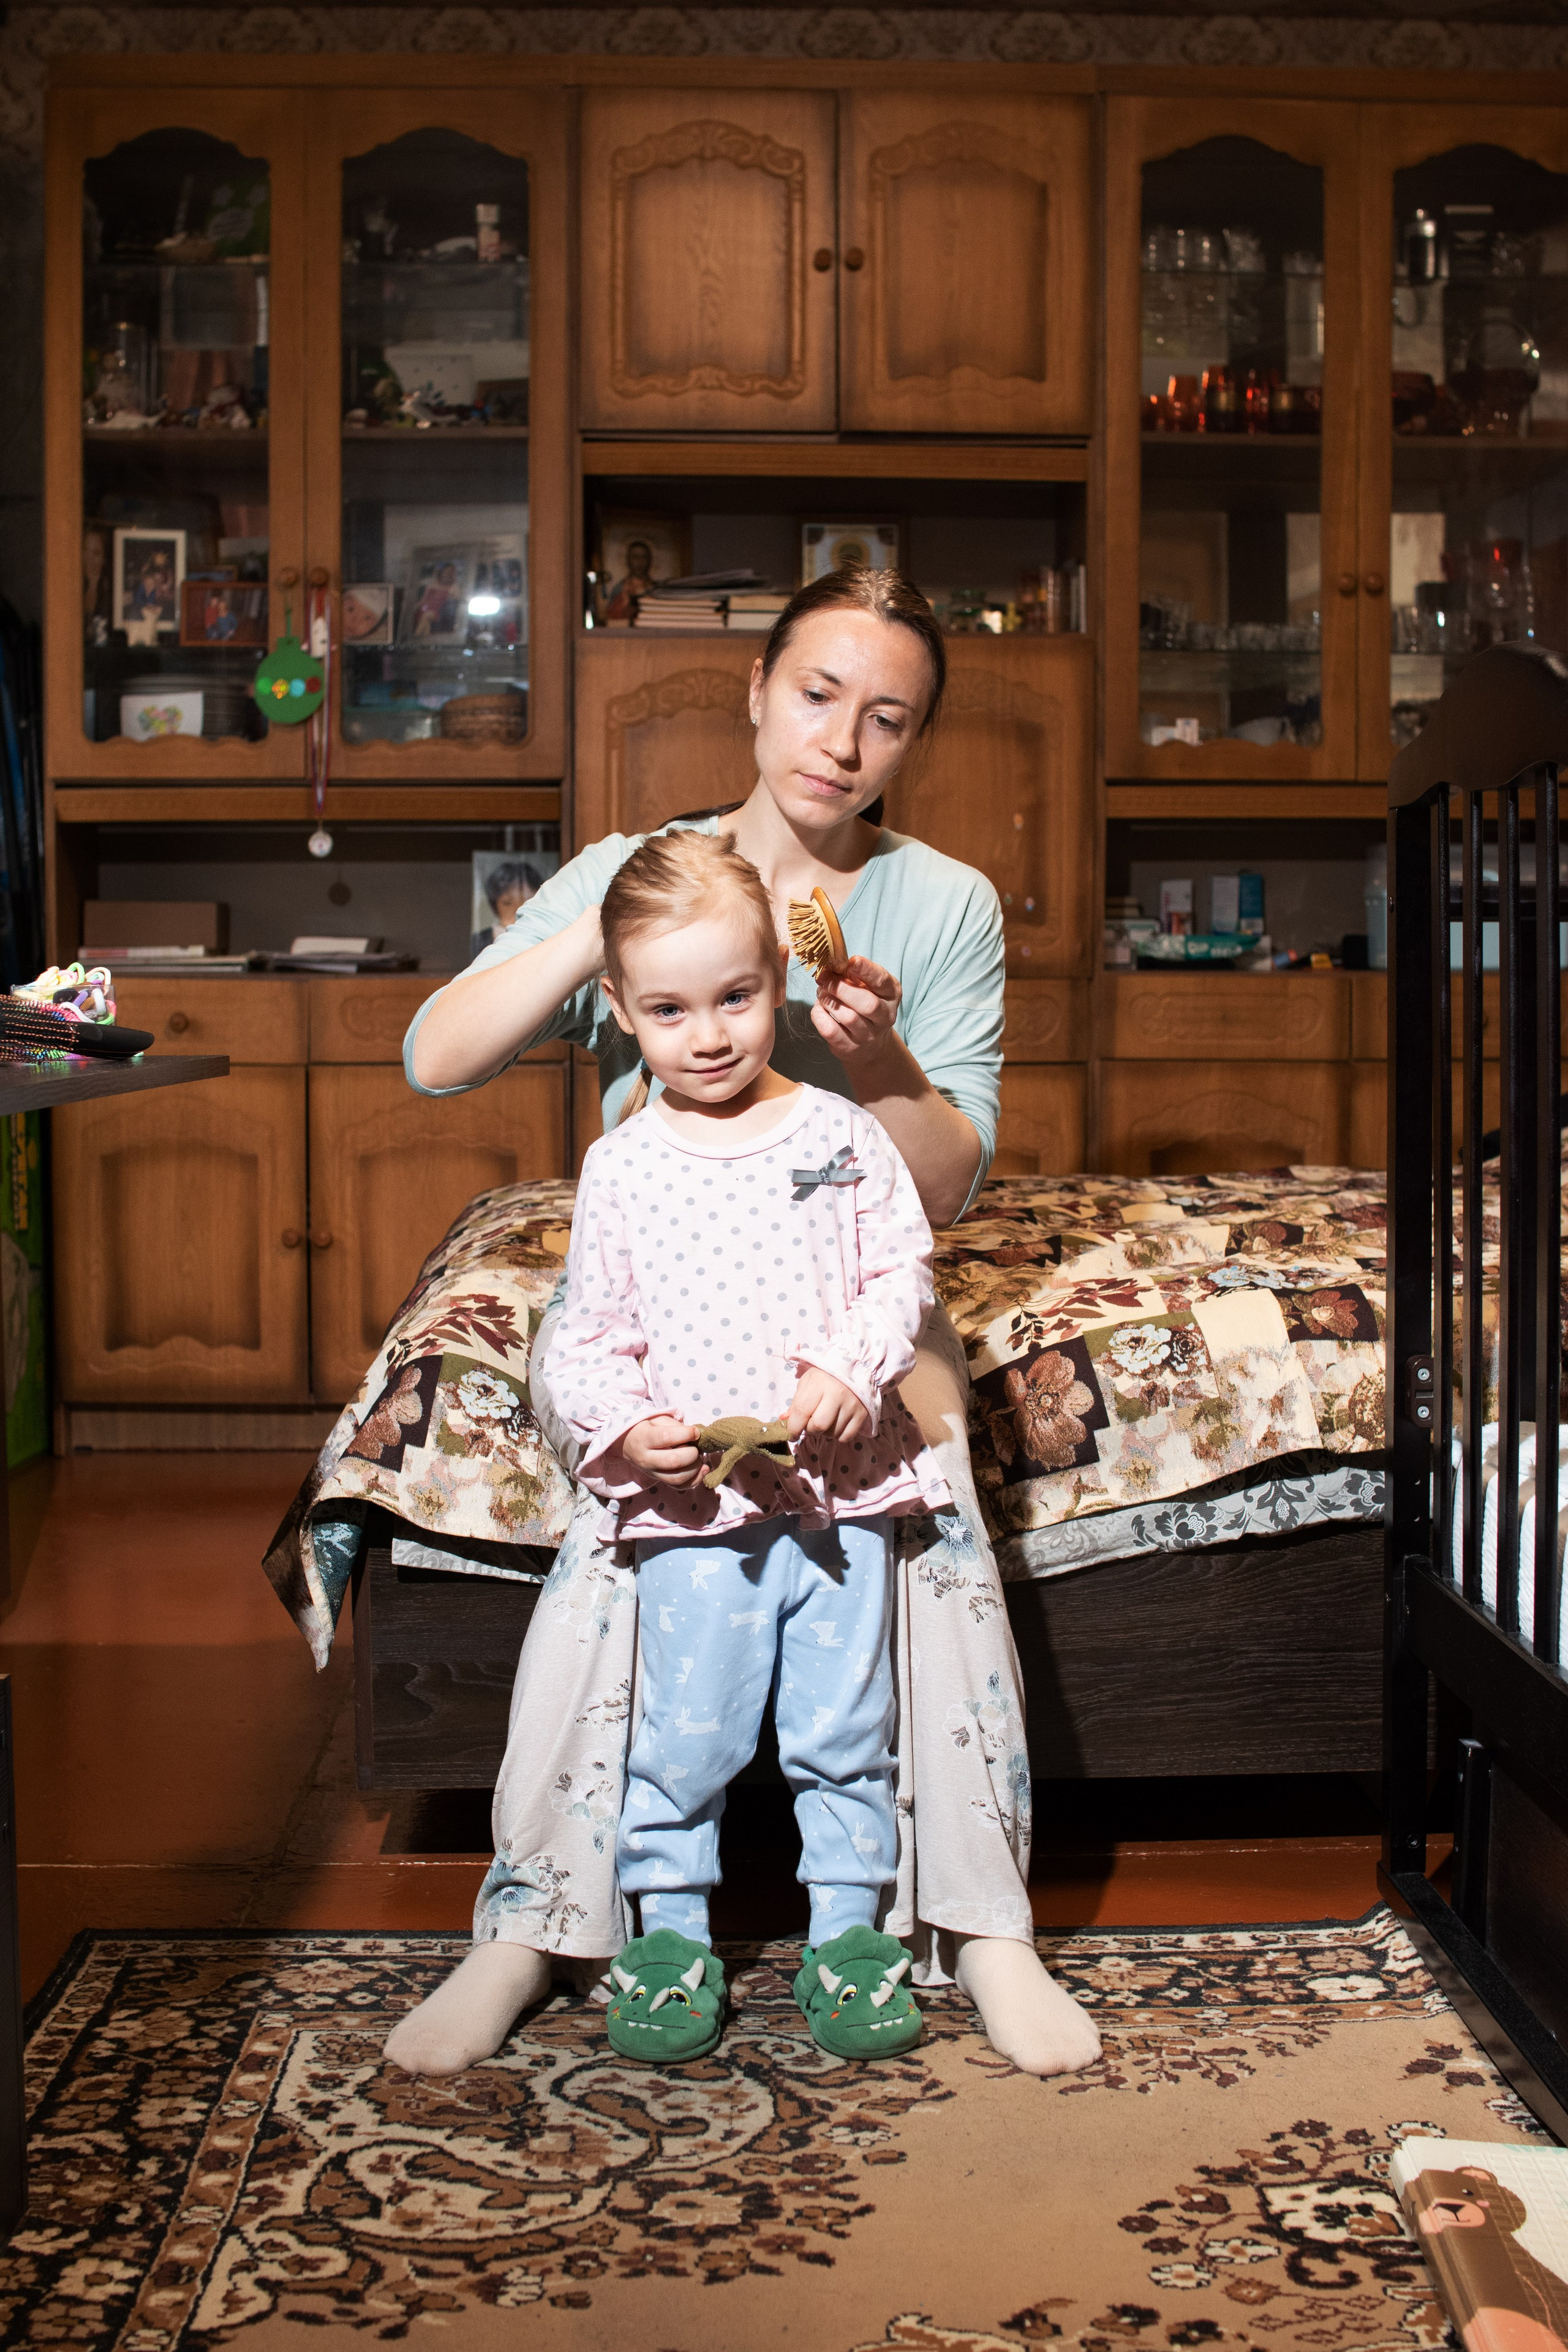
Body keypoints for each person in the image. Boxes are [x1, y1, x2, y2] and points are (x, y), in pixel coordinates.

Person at [387, 564, 1102, 2082]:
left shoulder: (942, 903)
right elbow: (434, 1056)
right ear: (759, 693)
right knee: (614, 1521)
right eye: (818, 694)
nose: (842, 740)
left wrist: (885, 1056)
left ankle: (984, 1931)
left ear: (910, 743)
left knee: (933, 1474)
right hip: (663, 1303)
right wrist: (626, 915)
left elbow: (950, 1190)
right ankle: (524, 1929)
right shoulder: (634, 868)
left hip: (839, 1294)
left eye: (886, 717)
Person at [551, 828, 940, 2062]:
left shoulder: (837, 1134)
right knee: (690, 1733)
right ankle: (667, 1933)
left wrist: (846, 1364)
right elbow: (585, 1336)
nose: (707, 1033)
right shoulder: (619, 1170)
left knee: (840, 1728)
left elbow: (898, 1272)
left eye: (734, 996)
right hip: (693, 1512)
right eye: (668, 1009)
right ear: (619, 1009)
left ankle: (847, 1937)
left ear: (777, 980)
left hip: (836, 1498)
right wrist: (622, 1430)